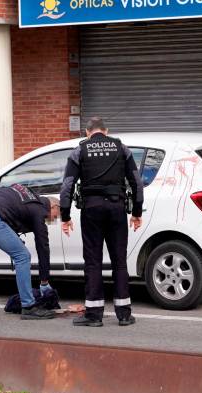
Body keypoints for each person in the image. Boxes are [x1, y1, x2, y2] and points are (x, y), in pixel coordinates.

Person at [59, 117, 144, 327]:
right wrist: (136, 212)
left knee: (93, 261)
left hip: (92, 209)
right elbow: (137, 183)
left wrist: (65, 216)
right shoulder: (121, 148)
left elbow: (67, 186)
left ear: (88, 133)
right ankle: (124, 314)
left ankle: (94, 315)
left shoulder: (80, 150)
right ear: (106, 131)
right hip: (117, 208)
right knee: (119, 261)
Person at [0, 183, 60, 320]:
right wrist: (44, 282)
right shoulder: (39, 209)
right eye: (57, 215)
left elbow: (8, 210)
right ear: (54, 206)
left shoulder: (26, 195)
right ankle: (28, 306)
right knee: (22, 256)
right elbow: (43, 246)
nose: (55, 219)